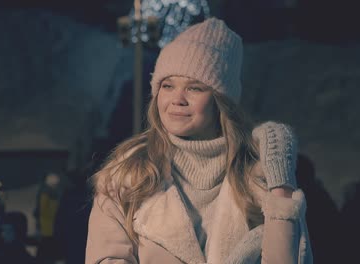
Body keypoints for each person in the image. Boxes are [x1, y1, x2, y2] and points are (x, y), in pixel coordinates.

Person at [86, 17, 312, 264]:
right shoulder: (127, 174)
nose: (177, 100)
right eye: (168, 86)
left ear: (220, 100)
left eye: (194, 88)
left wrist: (280, 181)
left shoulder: (256, 174)